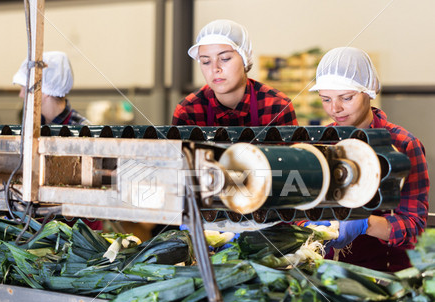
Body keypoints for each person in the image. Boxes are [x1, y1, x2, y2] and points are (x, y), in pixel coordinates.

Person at [307, 47, 429, 272]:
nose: (335, 109)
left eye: (346, 98)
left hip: (387, 274)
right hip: (328, 271)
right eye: (326, 99)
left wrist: (365, 223)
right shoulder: (320, 144)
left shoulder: (403, 144)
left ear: (369, 91)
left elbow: (415, 225)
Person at [13, 51, 102, 231]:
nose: (21, 94)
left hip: (79, 235)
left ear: (43, 91)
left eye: (24, 87)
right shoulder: (30, 130)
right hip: (37, 233)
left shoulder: (85, 132)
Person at [172, 19, 298, 127]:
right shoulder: (188, 110)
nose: (215, 68)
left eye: (225, 58)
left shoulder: (277, 106)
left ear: (245, 59)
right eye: (206, 61)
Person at [13, 51, 90, 125]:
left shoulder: (84, 134)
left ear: (45, 91)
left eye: (25, 88)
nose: (21, 95)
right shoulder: (33, 126)